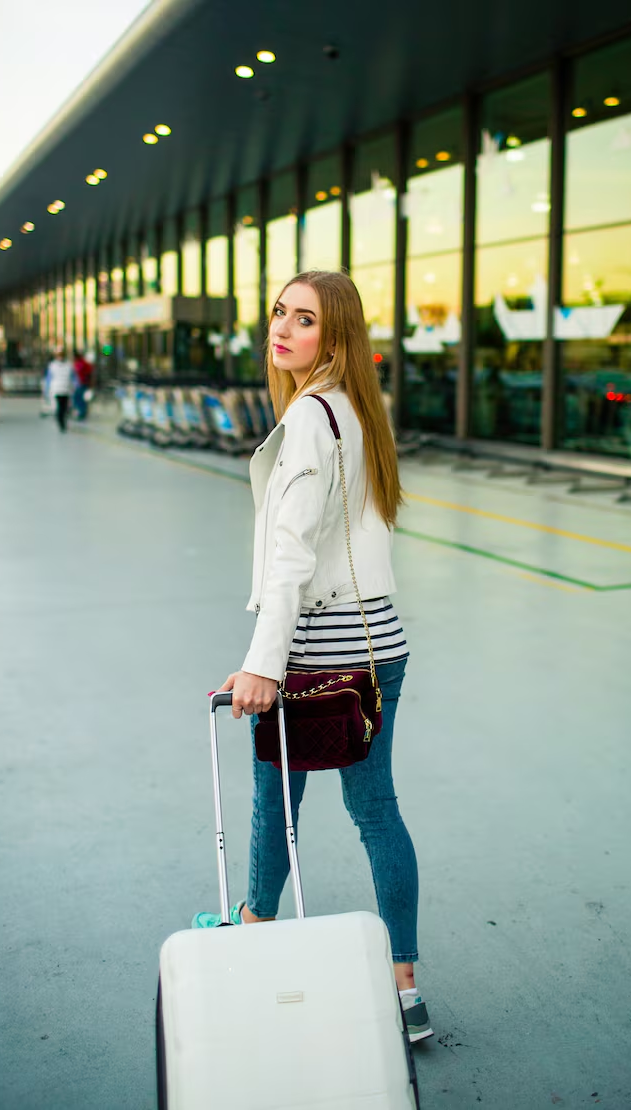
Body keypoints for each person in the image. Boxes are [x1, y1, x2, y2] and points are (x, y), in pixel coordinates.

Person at [192, 270, 433, 1043]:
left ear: (335, 337)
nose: (282, 329)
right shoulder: (357, 411)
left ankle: (252, 929)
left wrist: (264, 664)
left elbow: (290, 558)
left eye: (305, 319)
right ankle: (405, 987)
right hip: (379, 644)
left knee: (276, 803)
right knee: (377, 810)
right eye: (279, 313)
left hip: (316, 653)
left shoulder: (308, 419)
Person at [45, 349, 76, 432]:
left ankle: (61, 423)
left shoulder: (53, 365)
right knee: (62, 407)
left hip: (61, 389)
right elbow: (74, 378)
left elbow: (48, 379)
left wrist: (47, 390)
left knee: (62, 407)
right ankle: (62, 423)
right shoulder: (68, 365)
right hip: (62, 389)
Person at [72, 351, 94, 420]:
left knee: (79, 399)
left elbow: (87, 373)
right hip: (81, 384)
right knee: (80, 398)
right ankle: (82, 412)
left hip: (82, 383)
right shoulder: (83, 363)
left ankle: (82, 413)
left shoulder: (81, 363)